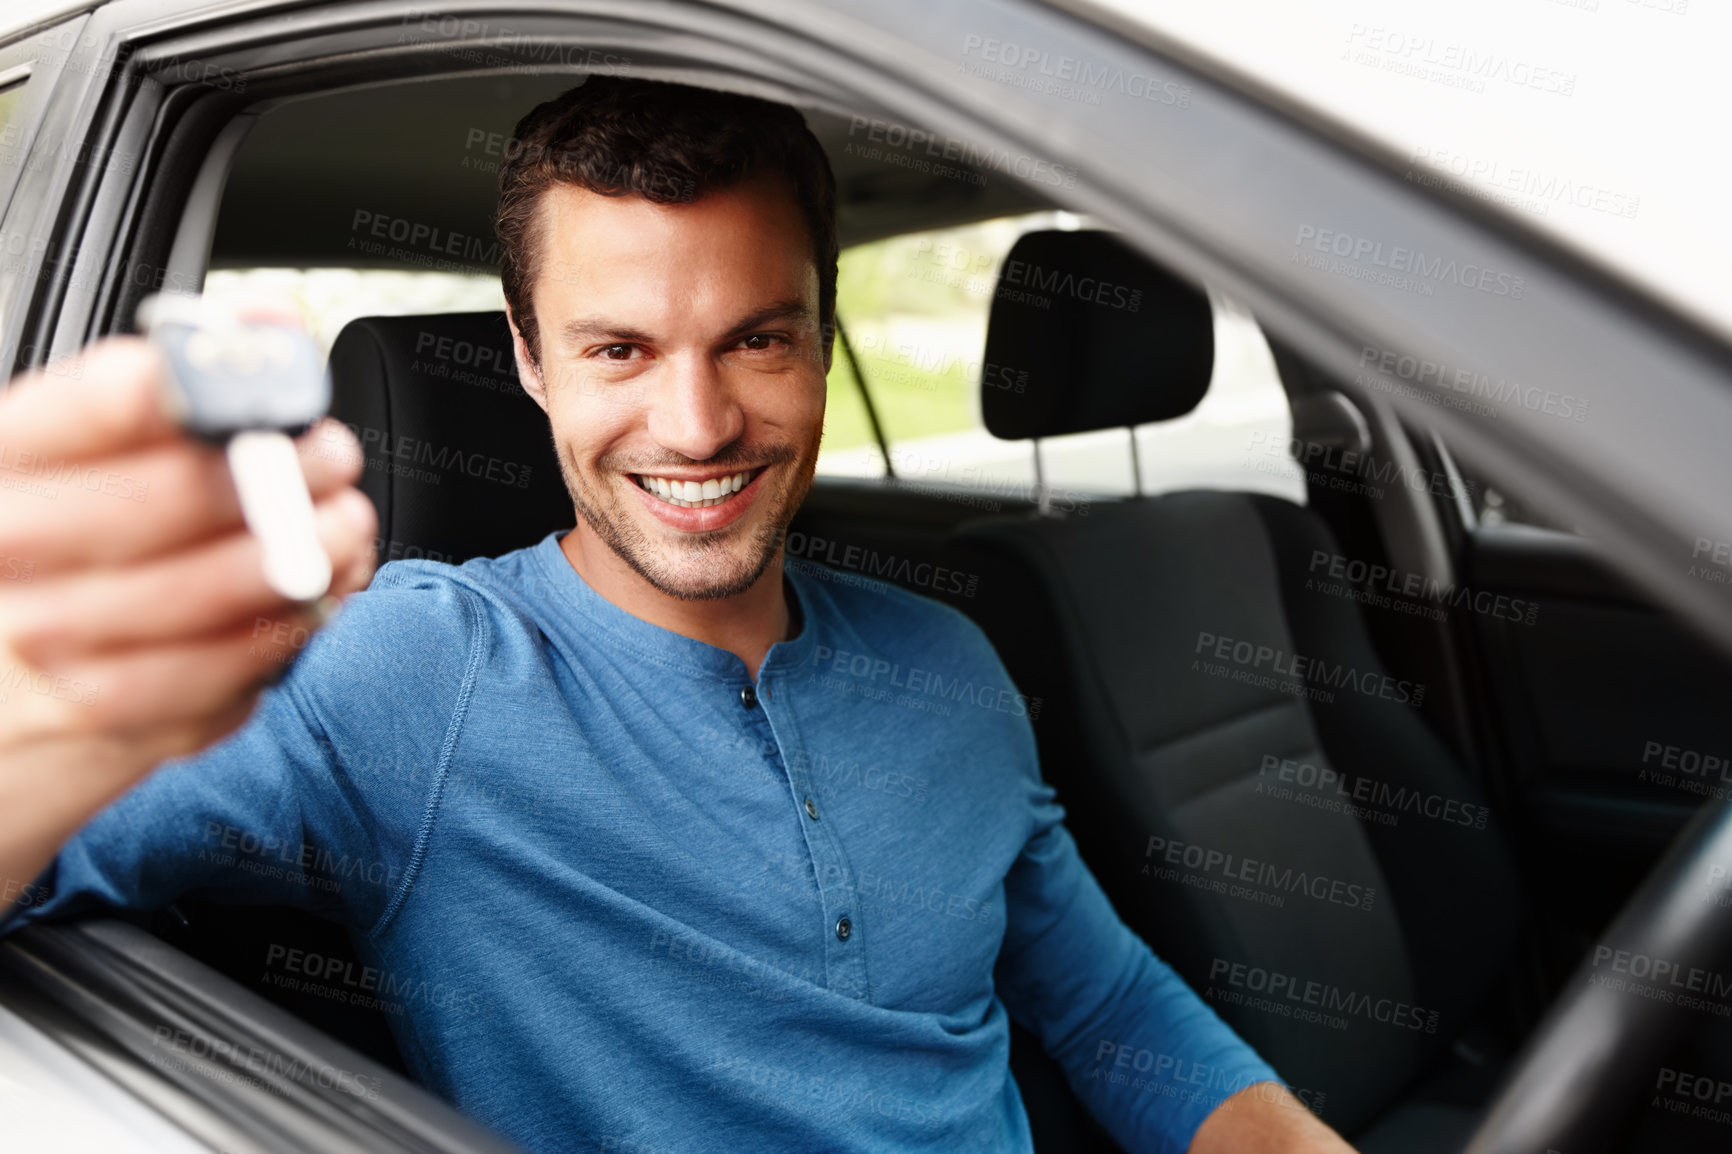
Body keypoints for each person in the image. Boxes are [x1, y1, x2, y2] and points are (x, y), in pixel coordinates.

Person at [0, 76, 1356, 1153]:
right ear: (528, 359)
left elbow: (1110, 1004)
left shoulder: (949, 658)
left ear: (824, 340)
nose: (698, 423)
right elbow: (41, 839)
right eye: (620, 349)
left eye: (757, 337)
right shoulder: (413, 669)